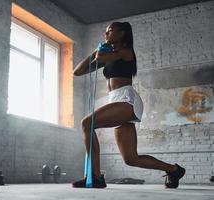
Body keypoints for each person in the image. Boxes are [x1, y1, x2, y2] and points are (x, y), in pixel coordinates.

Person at [72, 22, 185, 189]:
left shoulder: (125, 52)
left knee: (86, 123)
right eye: (105, 32)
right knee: (131, 159)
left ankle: (95, 176)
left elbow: (102, 58)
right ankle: (174, 170)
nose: (106, 34)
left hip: (126, 100)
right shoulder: (107, 56)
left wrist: (101, 52)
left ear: (122, 33)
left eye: (110, 30)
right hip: (115, 101)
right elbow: (78, 71)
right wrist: (97, 50)